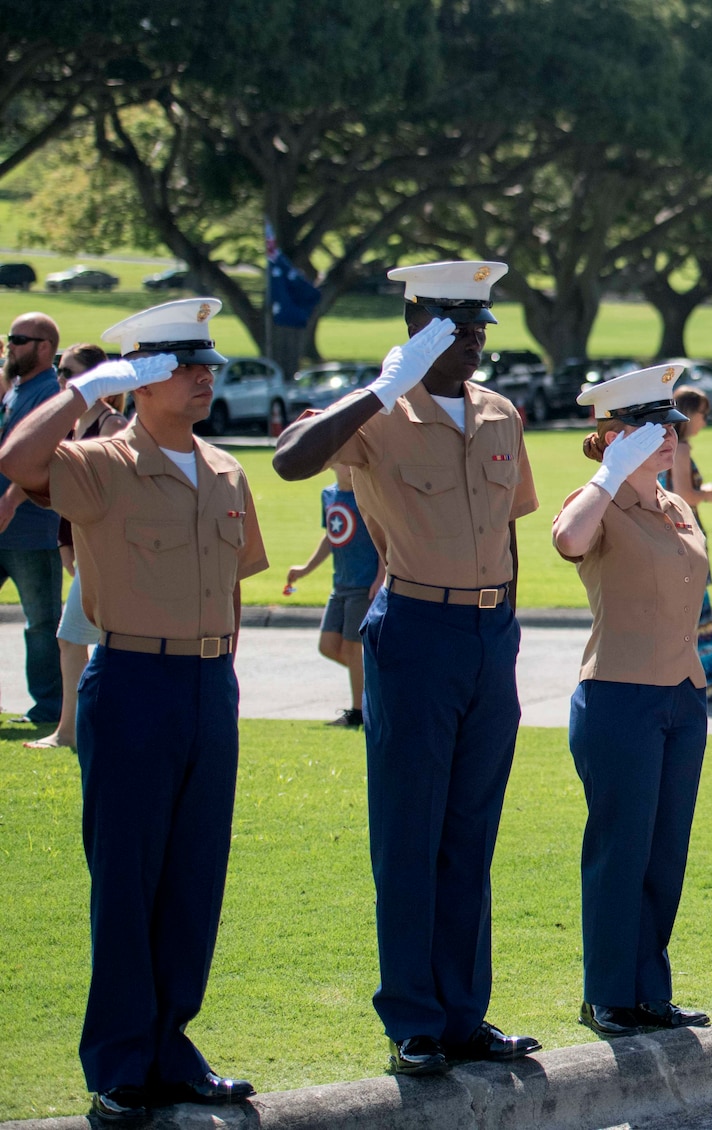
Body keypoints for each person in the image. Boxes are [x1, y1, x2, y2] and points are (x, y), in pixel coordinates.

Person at [0, 298, 268, 1121]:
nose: (204, 378)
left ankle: (171, 1047)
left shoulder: (226, 470)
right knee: (127, 878)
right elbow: (15, 458)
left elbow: (233, 582)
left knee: (194, 877)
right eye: (184, 366)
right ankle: (120, 1061)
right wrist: (89, 388)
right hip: (131, 685)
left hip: (206, 687)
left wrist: (220, 671)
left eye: (207, 366)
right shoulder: (101, 462)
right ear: (145, 377)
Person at [273, 261, 540, 1075]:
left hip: (489, 633)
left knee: (470, 834)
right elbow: (290, 461)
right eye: (453, 332)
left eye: (476, 331)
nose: (471, 347)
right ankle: (414, 1021)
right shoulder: (378, 413)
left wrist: (509, 622)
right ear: (418, 332)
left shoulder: (500, 414)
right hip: (417, 626)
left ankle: (464, 1014)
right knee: (410, 833)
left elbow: (509, 529)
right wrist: (384, 388)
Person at [552, 364, 712, 1040]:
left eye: (672, 424)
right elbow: (567, 541)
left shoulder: (674, 505)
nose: (671, 436)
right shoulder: (598, 502)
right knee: (621, 851)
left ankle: (649, 990)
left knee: (663, 852)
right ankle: (607, 993)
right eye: (654, 427)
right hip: (618, 695)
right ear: (615, 436)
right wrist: (607, 474)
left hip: (682, 697)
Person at [25, 345, 126, 751]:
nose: (61, 379)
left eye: (68, 371)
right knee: (79, 640)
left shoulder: (111, 423)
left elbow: (112, 495)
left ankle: (73, 731)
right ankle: (74, 729)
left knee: (81, 640)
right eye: (58, 371)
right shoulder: (71, 424)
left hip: (105, 551)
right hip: (83, 549)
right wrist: (67, 544)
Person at [0, 311, 66, 725]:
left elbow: (48, 454)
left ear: (44, 348)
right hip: (6, 528)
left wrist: (9, 501)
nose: (10, 345)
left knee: (41, 623)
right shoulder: (18, 390)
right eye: (9, 338)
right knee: (40, 623)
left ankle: (49, 709)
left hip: (30, 530)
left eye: (18, 339)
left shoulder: (50, 394)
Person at [284, 463, 385, 728]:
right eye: (342, 462)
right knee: (328, 646)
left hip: (363, 585)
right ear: (331, 465)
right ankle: (377, 686)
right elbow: (331, 536)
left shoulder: (366, 495)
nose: (348, 468)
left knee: (354, 648)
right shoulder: (328, 496)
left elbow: (382, 537)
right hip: (340, 585)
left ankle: (357, 713)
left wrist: (380, 577)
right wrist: (305, 569)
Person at [664, 385, 712, 702]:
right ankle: (707, 680)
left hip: (671, 537)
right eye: (703, 415)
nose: (705, 422)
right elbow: (684, 496)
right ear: (689, 414)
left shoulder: (668, 444)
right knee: (698, 613)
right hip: (684, 535)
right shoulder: (680, 448)